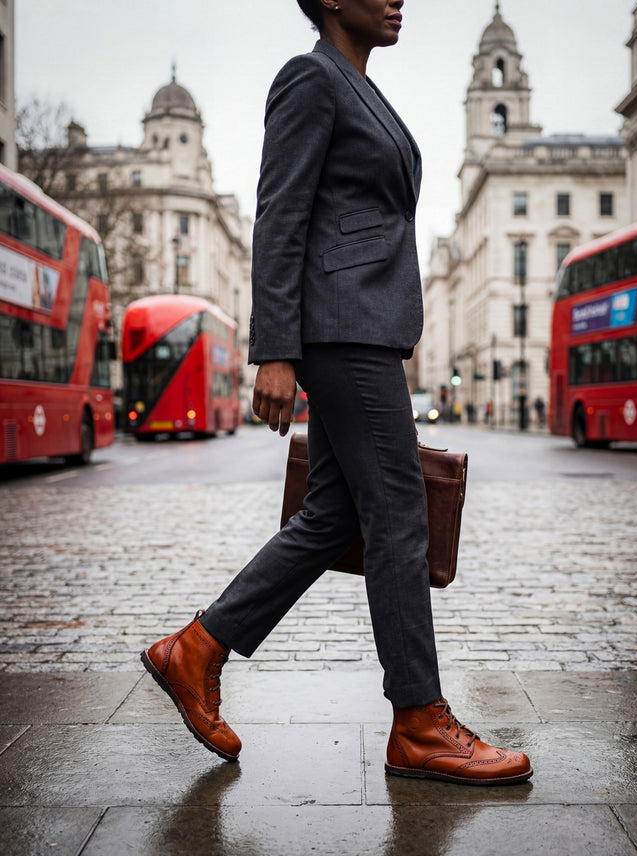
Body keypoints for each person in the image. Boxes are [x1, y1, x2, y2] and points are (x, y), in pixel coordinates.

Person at [141, 0, 532, 787]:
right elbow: (280, 213)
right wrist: (275, 351)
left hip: (364, 323)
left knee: (335, 513)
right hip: (342, 327)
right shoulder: (311, 78)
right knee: (397, 508)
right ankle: (419, 721)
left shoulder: (359, 87)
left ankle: (196, 649)